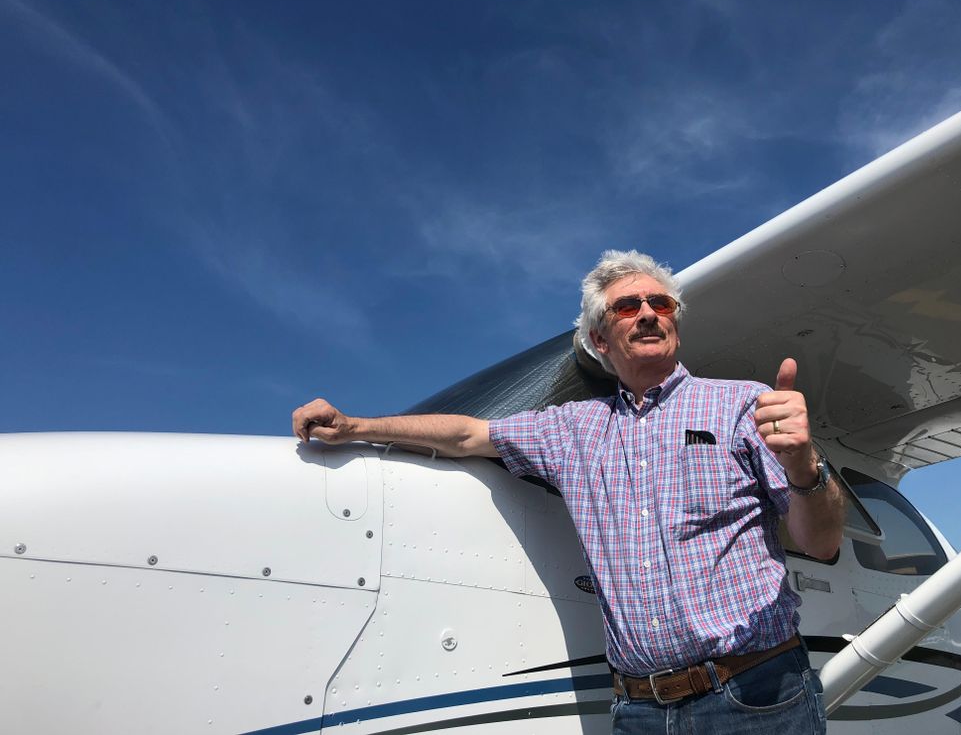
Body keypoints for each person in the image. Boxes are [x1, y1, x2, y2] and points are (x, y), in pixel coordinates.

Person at [292, 249, 845, 733]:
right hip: (640, 708)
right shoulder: (572, 428)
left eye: (661, 303)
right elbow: (468, 433)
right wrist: (355, 426)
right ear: (600, 339)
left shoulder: (743, 404)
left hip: (757, 695)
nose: (649, 313)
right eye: (628, 307)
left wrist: (803, 464)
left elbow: (819, 543)